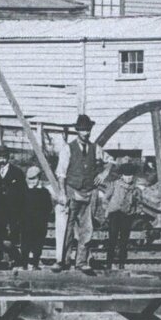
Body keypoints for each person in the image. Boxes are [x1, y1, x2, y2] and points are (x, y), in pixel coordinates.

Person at [57, 113, 102, 271]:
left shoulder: (95, 148)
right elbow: (61, 174)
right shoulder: (68, 149)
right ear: (78, 131)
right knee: (68, 228)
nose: (86, 133)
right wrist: (62, 193)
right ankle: (63, 260)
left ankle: (81, 262)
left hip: (88, 192)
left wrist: (104, 173)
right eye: (83, 130)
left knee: (87, 228)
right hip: (72, 190)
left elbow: (110, 161)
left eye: (88, 130)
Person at [0, 151, 24, 266]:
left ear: (8, 158)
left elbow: (23, 191)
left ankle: (16, 258)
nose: (1, 160)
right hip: (0, 206)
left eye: (3, 157)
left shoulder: (16, 172)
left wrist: (21, 207)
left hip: (13, 207)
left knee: (13, 232)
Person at [19, 163, 54, 268]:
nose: (33, 181)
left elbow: (48, 207)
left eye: (35, 178)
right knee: (25, 244)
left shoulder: (44, 192)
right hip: (26, 223)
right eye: (30, 179)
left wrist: (44, 217)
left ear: (39, 178)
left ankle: (35, 263)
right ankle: (24, 264)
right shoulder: (24, 192)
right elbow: (19, 206)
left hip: (40, 223)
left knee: (38, 245)